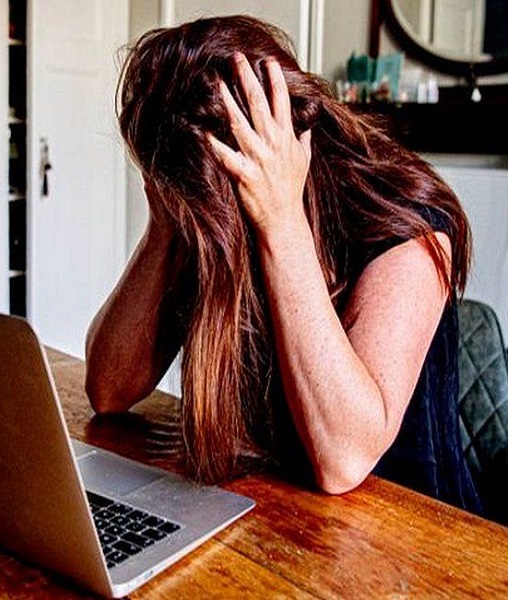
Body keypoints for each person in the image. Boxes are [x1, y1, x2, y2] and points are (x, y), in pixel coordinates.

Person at [84, 15, 483, 516]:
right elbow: (108, 389)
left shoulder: (406, 225)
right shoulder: (210, 220)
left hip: (410, 531)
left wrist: (281, 221)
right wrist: (166, 224)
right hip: (275, 507)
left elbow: (344, 459)